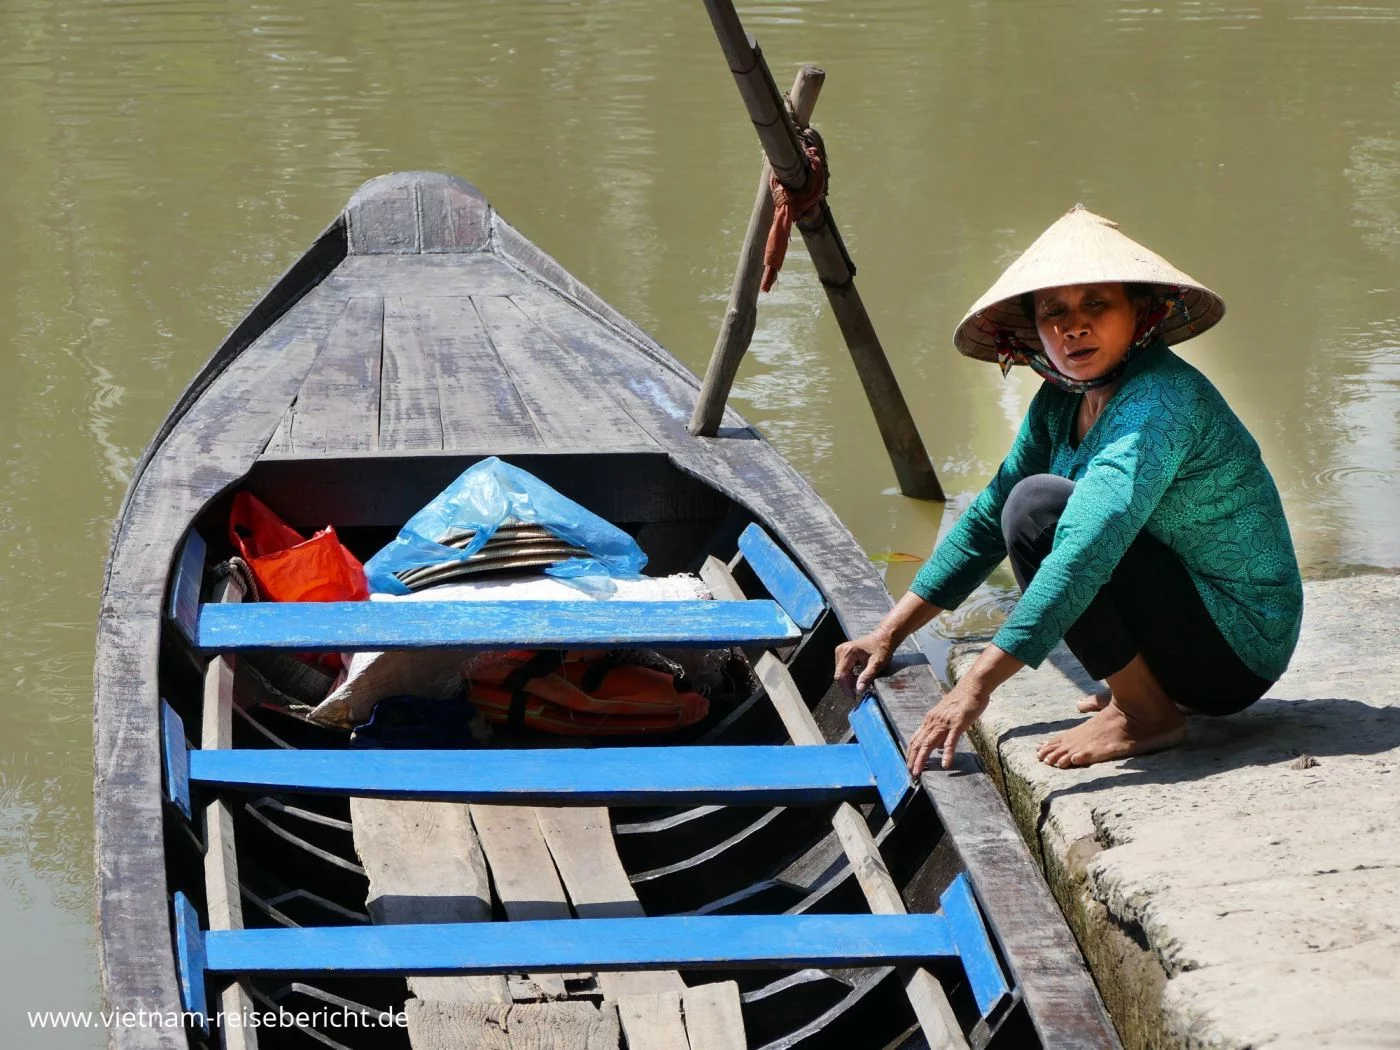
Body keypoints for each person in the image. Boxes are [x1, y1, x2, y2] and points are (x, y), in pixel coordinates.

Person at [834, 205, 1303, 773]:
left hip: (1236, 647)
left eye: (1096, 305)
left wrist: (977, 685)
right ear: (1034, 330)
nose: (1072, 326)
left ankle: (1146, 714)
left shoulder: (1160, 401)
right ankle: (1146, 692)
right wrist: (887, 632)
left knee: (1038, 510)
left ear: (1141, 313)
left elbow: (1085, 548)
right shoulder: (1060, 400)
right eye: (1054, 312)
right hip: (1184, 636)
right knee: (1018, 503)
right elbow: (986, 520)